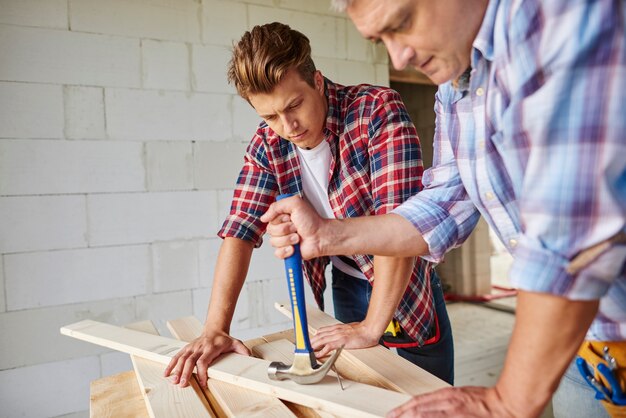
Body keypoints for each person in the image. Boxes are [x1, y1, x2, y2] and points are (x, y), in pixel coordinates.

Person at [261, 0, 626, 417]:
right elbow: (444, 204)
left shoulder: (557, 15)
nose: (400, 56)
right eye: (382, 39)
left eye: (403, 24)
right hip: (588, 346)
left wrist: (506, 401)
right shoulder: (456, 89)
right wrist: (328, 235)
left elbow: (572, 230)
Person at [164, 21, 455, 390]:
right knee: (366, 395)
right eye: (269, 116)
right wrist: (214, 330)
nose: (287, 126)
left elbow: (400, 221)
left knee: (432, 396)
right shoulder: (268, 143)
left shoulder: (377, 111)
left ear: (317, 81)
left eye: (294, 105)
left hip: (407, 284)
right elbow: (239, 228)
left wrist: (372, 326)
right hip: (347, 284)